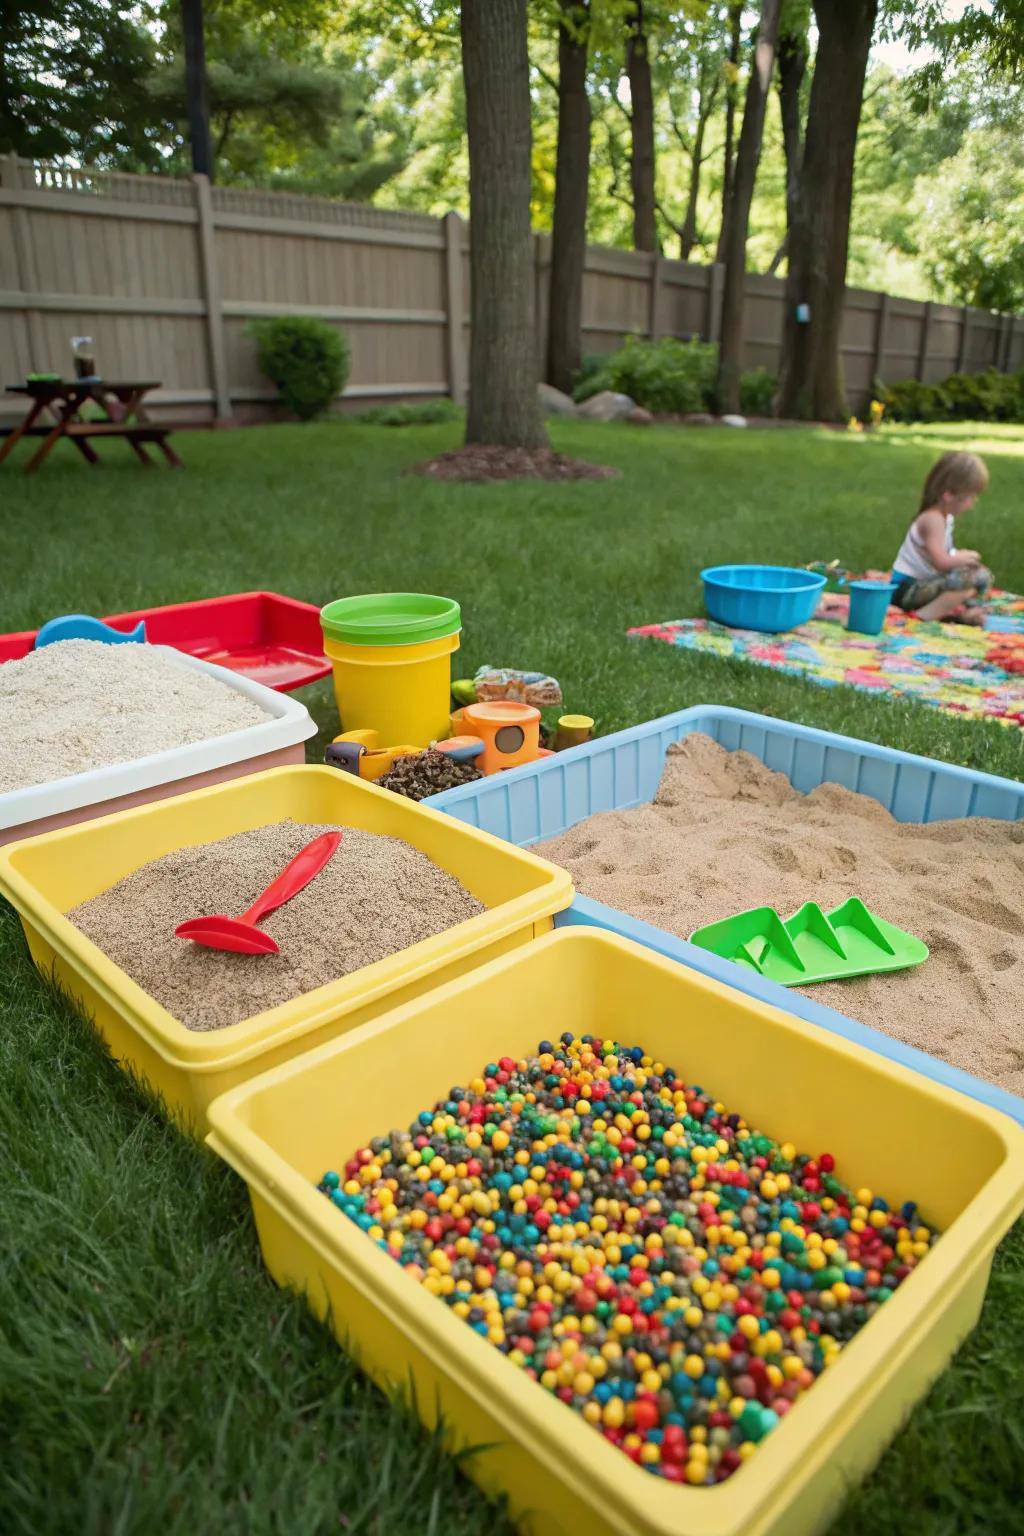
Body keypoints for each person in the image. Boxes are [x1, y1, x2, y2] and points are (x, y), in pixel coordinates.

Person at [891, 451, 992, 623]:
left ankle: (954, 612)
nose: (973, 502)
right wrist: (963, 558)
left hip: (921, 586)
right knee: (975, 577)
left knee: (976, 577)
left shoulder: (945, 517)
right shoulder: (933, 519)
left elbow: (942, 554)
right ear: (949, 496)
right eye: (970, 496)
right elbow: (941, 563)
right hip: (906, 590)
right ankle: (922, 617)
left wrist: (958, 555)